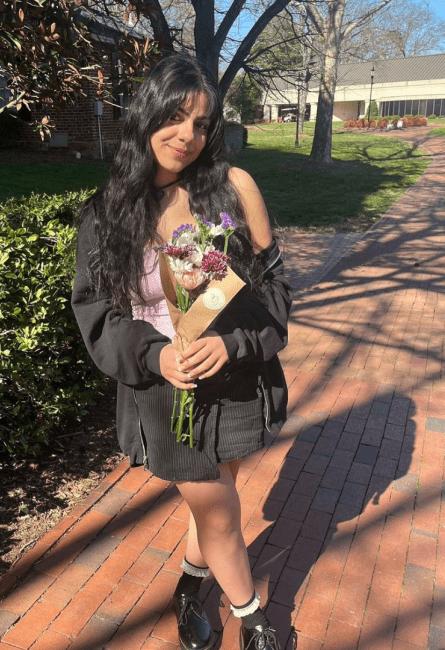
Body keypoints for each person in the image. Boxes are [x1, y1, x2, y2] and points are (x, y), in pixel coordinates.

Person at [72, 53, 293, 650]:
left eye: (201, 123)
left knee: (214, 500)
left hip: (234, 382)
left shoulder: (234, 190)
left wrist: (231, 342)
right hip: (164, 393)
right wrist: (155, 356)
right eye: (174, 117)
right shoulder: (109, 213)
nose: (186, 136)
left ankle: (191, 587)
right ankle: (255, 620)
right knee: (220, 511)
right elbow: (95, 313)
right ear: (146, 117)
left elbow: (275, 294)